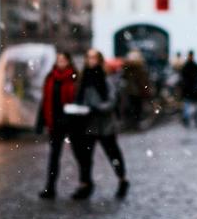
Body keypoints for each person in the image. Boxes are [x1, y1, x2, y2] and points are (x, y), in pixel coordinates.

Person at [72, 49, 130, 200]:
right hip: (88, 122)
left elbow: (111, 101)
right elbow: (80, 97)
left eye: (93, 58)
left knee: (112, 153)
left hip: (105, 123)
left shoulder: (106, 78)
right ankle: (85, 184)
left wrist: (97, 108)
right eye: (88, 58)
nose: (90, 61)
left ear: (99, 60)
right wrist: (80, 109)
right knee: (85, 156)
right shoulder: (84, 78)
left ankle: (122, 179)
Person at [37, 51, 81, 199]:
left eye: (63, 59)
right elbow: (45, 100)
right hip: (54, 122)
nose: (60, 62)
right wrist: (41, 121)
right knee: (54, 156)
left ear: (68, 61)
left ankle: (84, 184)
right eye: (58, 59)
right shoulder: (51, 77)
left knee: (79, 154)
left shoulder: (74, 77)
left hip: (71, 122)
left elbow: (78, 99)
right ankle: (50, 188)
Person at [121, 50, 151, 130]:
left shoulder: (130, 69)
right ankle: (135, 122)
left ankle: (134, 122)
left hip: (134, 91)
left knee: (135, 107)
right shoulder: (138, 69)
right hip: (136, 91)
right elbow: (144, 80)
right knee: (136, 107)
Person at [180, 51, 197, 127]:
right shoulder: (196, 66)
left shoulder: (186, 66)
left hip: (189, 89)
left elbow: (183, 78)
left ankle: (188, 119)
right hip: (193, 89)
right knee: (195, 105)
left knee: (187, 105)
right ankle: (194, 118)